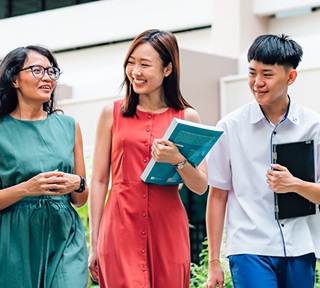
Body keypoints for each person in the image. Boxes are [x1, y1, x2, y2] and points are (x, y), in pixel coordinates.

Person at [88, 29, 208, 288]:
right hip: (119, 227)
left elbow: (200, 186)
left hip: (167, 229)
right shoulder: (111, 114)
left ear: (167, 69)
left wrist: (177, 159)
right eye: (131, 63)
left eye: (144, 64)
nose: (135, 71)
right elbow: (98, 179)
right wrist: (95, 240)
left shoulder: (187, 118)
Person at [0, 45, 89, 288]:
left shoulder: (69, 126)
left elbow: (80, 199)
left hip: (64, 235)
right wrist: (26, 189)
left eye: (51, 71)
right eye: (37, 70)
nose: (47, 77)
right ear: (14, 79)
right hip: (14, 239)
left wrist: (78, 183)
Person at [206, 34, 320, 288]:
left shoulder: (314, 127)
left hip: (300, 246)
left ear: (291, 77)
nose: (257, 82)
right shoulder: (229, 127)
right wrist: (214, 261)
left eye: (267, 74)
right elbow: (217, 194)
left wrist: (294, 184)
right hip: (249, 247)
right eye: (251, 73)